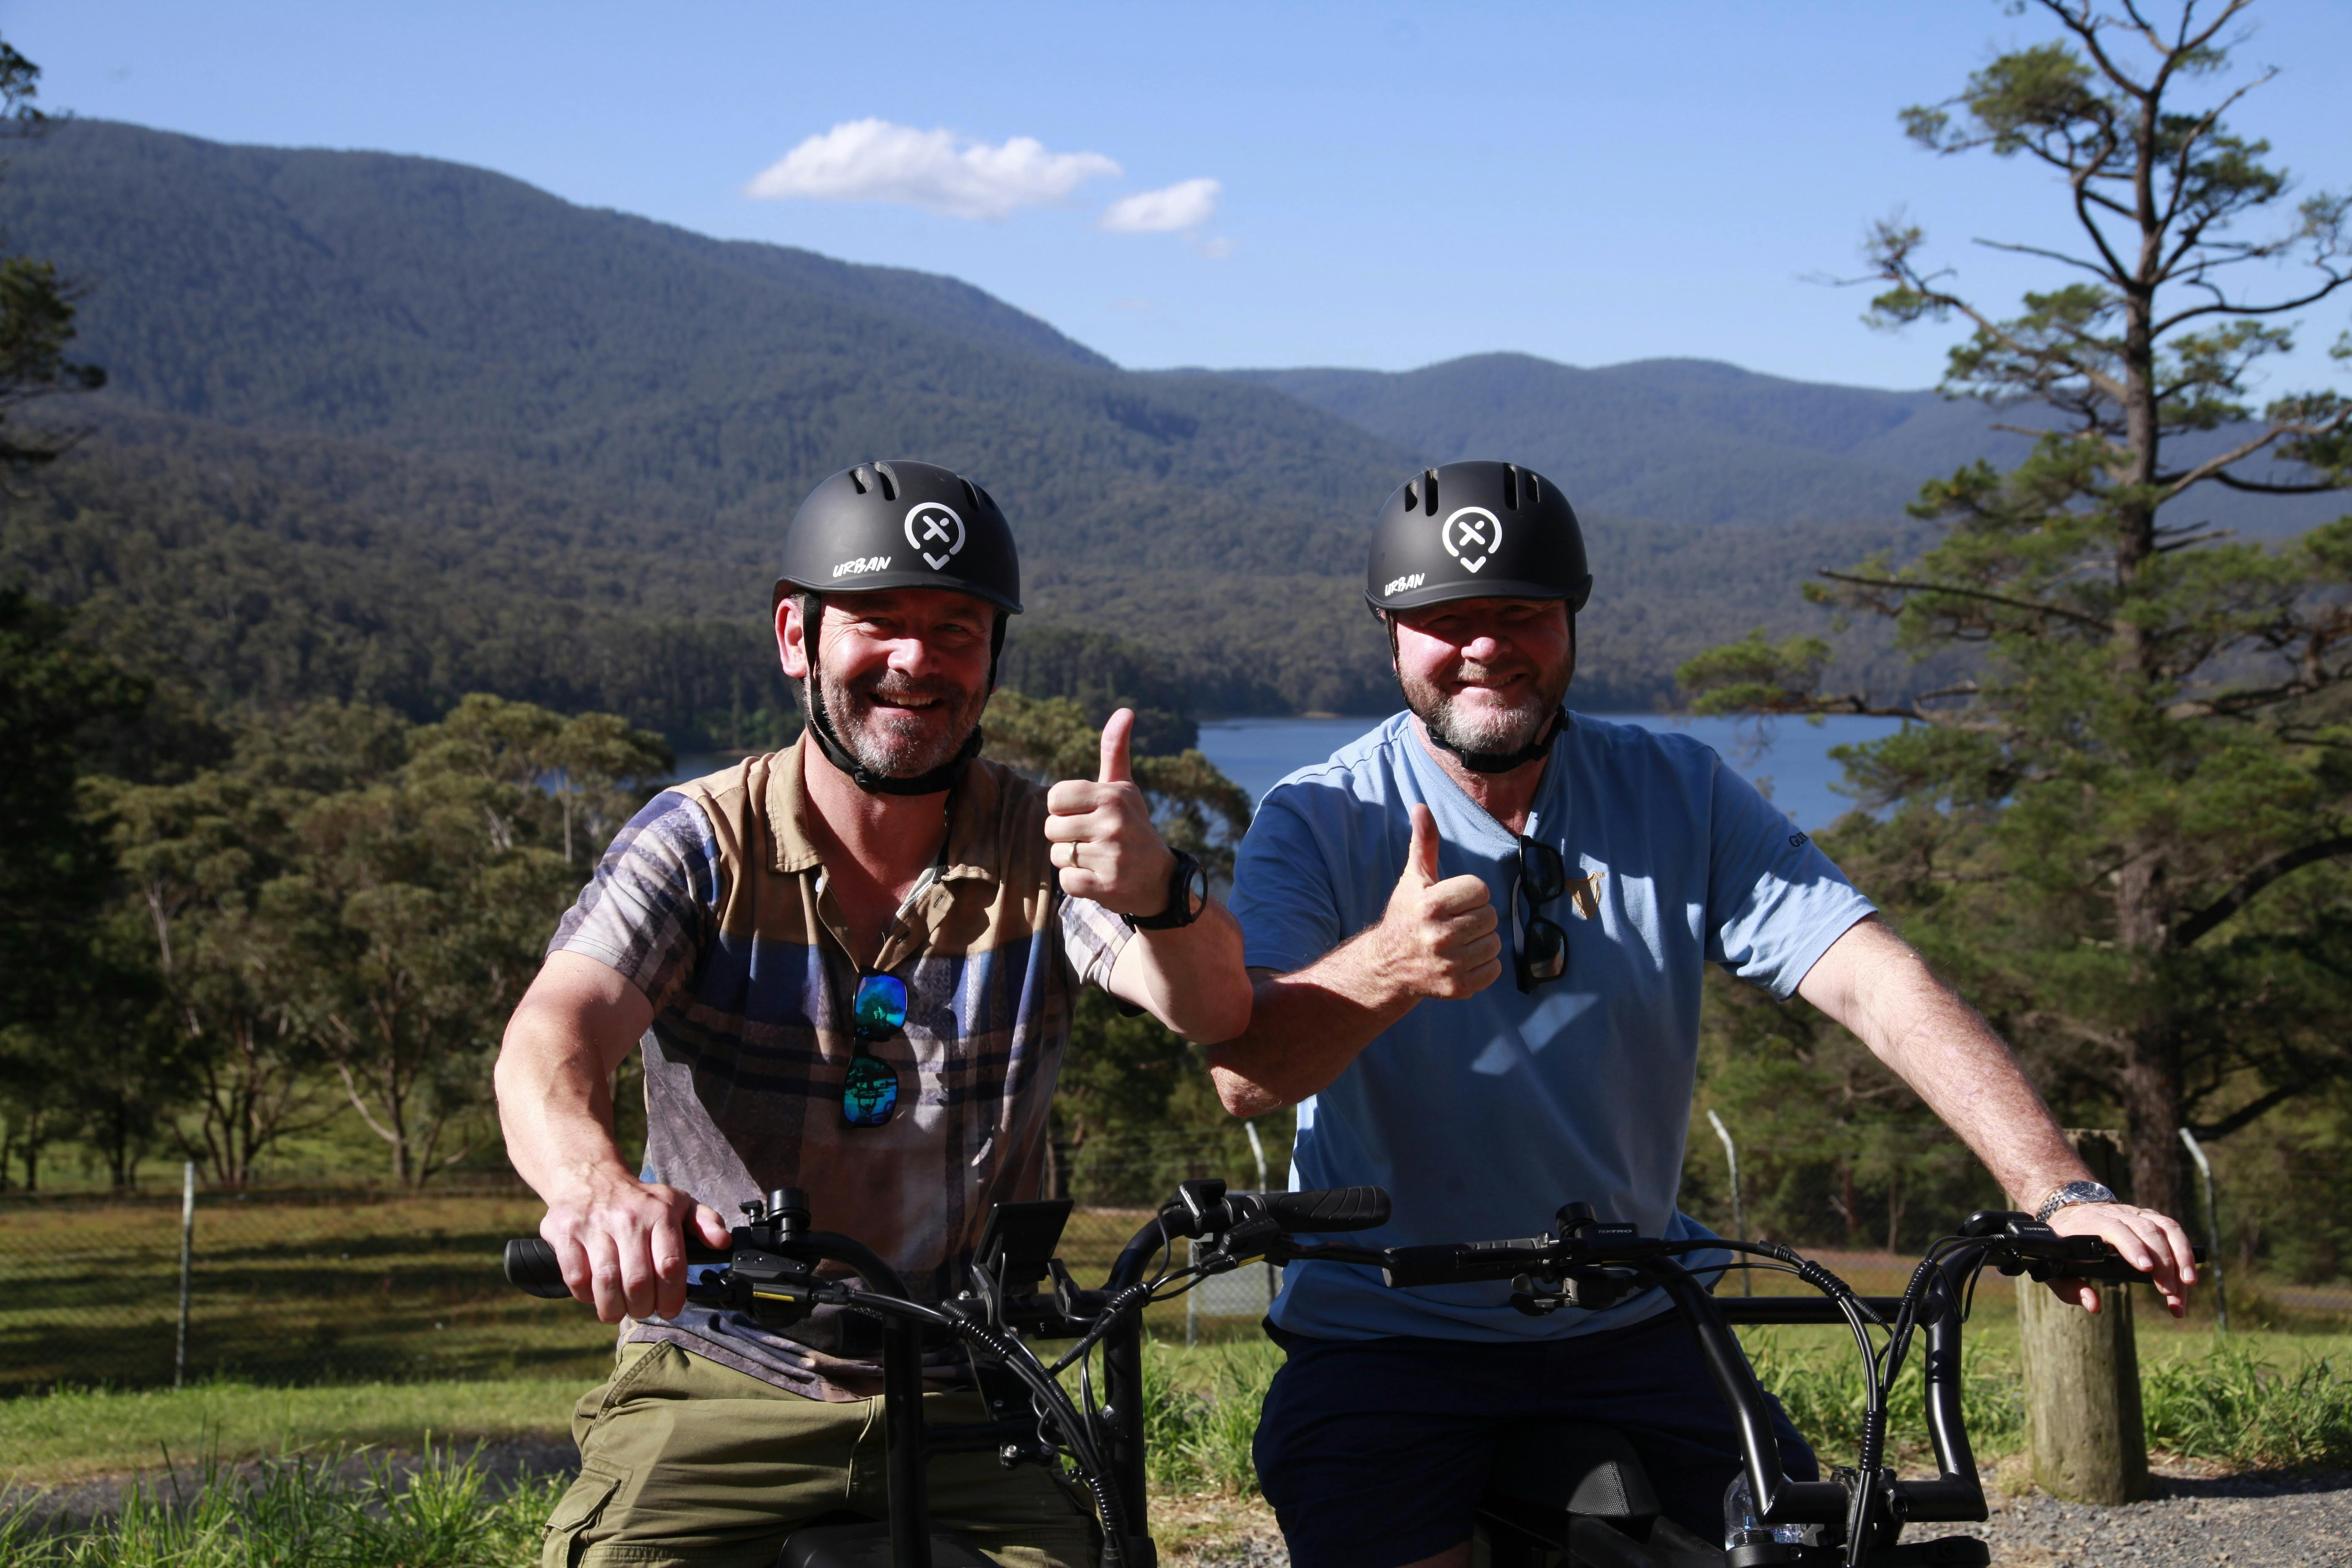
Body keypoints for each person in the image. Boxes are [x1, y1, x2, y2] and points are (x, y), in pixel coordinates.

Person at [1207, 460, 2200, 1568]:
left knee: (1810, 1547)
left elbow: (1875, 981)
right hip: (1390, 1329)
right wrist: (1386, 970)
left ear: (1572, 621)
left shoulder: (1675, 789)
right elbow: (1248, 1073)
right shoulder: (1321, 815)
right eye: (1448, 619)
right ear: (1392, 636)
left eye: (1522, 613)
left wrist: (2055, 1188)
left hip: (1635, 1312)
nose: (1487, 645)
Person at [498, 459, 1251, 1568]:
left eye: (956, 631)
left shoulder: (1044, 846)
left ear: (993, 658)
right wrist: (594, 1189)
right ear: (795, 637)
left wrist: (1164, 892)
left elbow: (1215, 1005)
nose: (916, 660)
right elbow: (555, 1032)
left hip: (974, 1383)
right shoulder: (700, 842)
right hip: (720, 1373)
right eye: (878, 622)